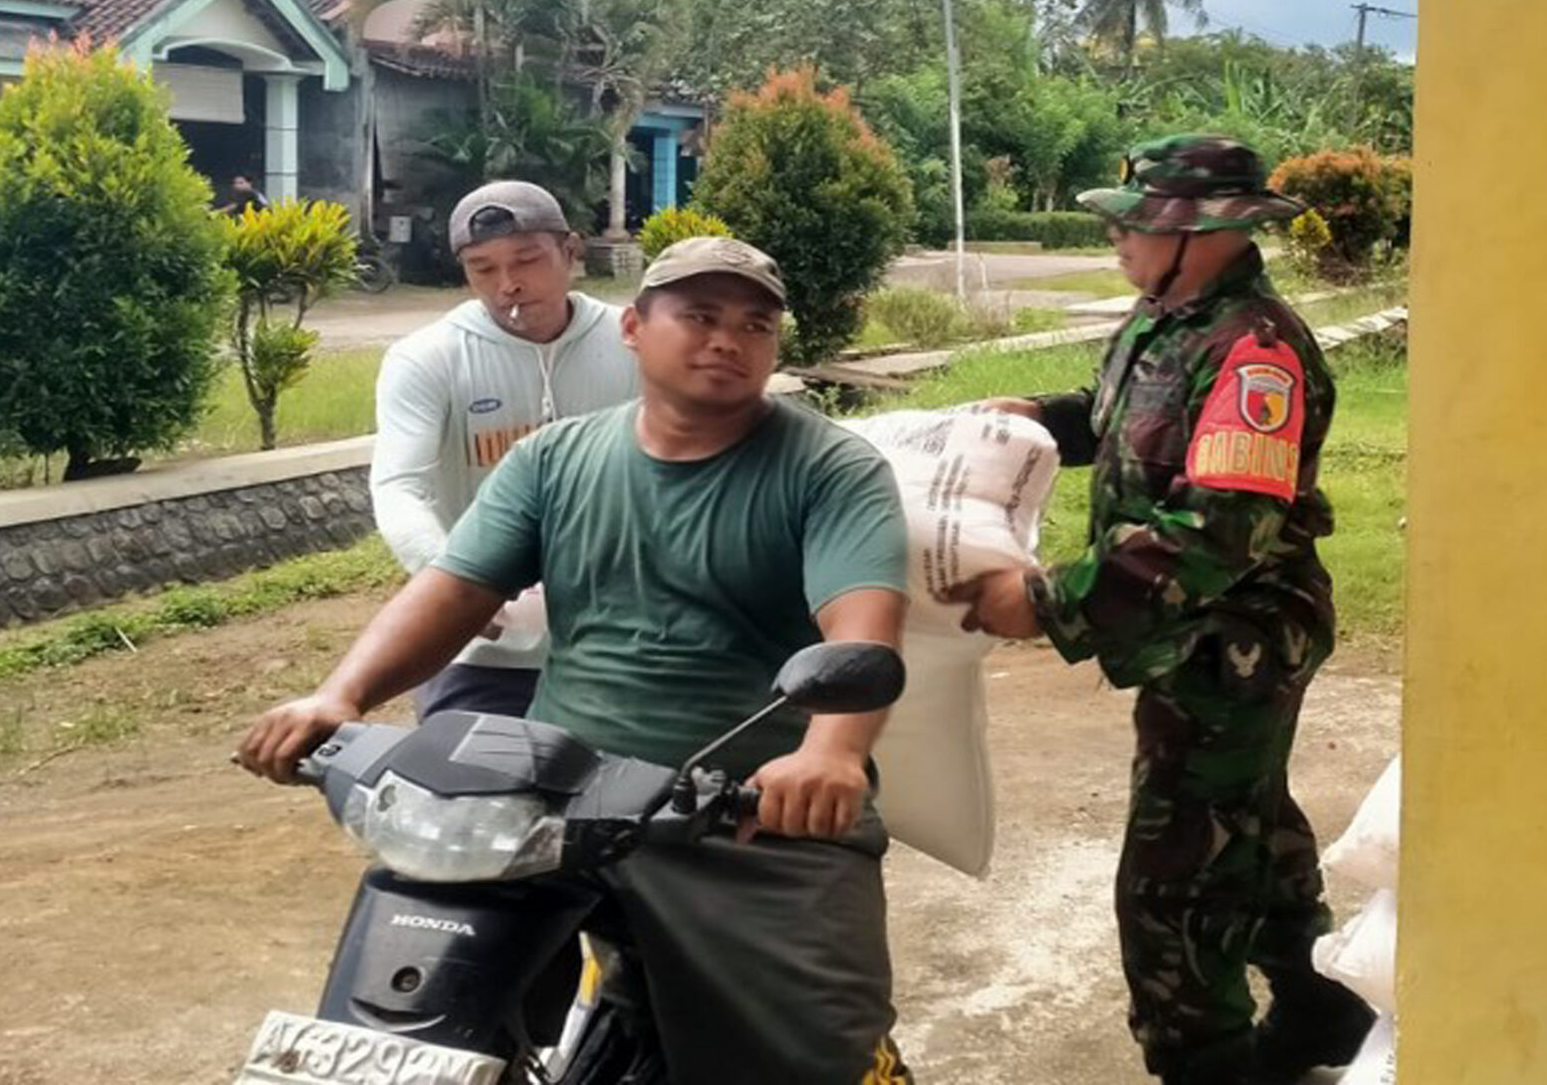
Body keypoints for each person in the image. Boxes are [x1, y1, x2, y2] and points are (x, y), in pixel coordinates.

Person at [238, 235, 914, 1085]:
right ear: (633, 328)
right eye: (699, 316)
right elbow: (454, 591)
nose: (727, 340)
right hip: (558, 815)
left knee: (823, 1052)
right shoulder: (554, 460)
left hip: (748, 813)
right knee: (417, 1025)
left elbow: (859, 626)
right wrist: (340, 698)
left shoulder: (829, 468)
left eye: (756, 325)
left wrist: (829, 753)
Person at [957, 135, 1376, 1085]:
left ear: (1205, 235)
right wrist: (1039, 416)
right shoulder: (1168, 321)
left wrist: (1048, 601)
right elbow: (1120, 424)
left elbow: (1215, 531)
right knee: (1250, 823)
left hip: (1236, 642)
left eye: (1134, 222)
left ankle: (1207, 1061)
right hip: (1197, 640)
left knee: (1171, 883)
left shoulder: (1255, 359)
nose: (1116, 234)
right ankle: (1321, 1004)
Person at [370, 180, 637, 717]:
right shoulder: (427, 359)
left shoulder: (633, 340)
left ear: (571, 251)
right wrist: (451, 579)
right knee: (466, 792)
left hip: (628, 640)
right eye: (482, 268)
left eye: (527, 260)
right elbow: (400, 485)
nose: (508, 284)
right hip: (486, 649)